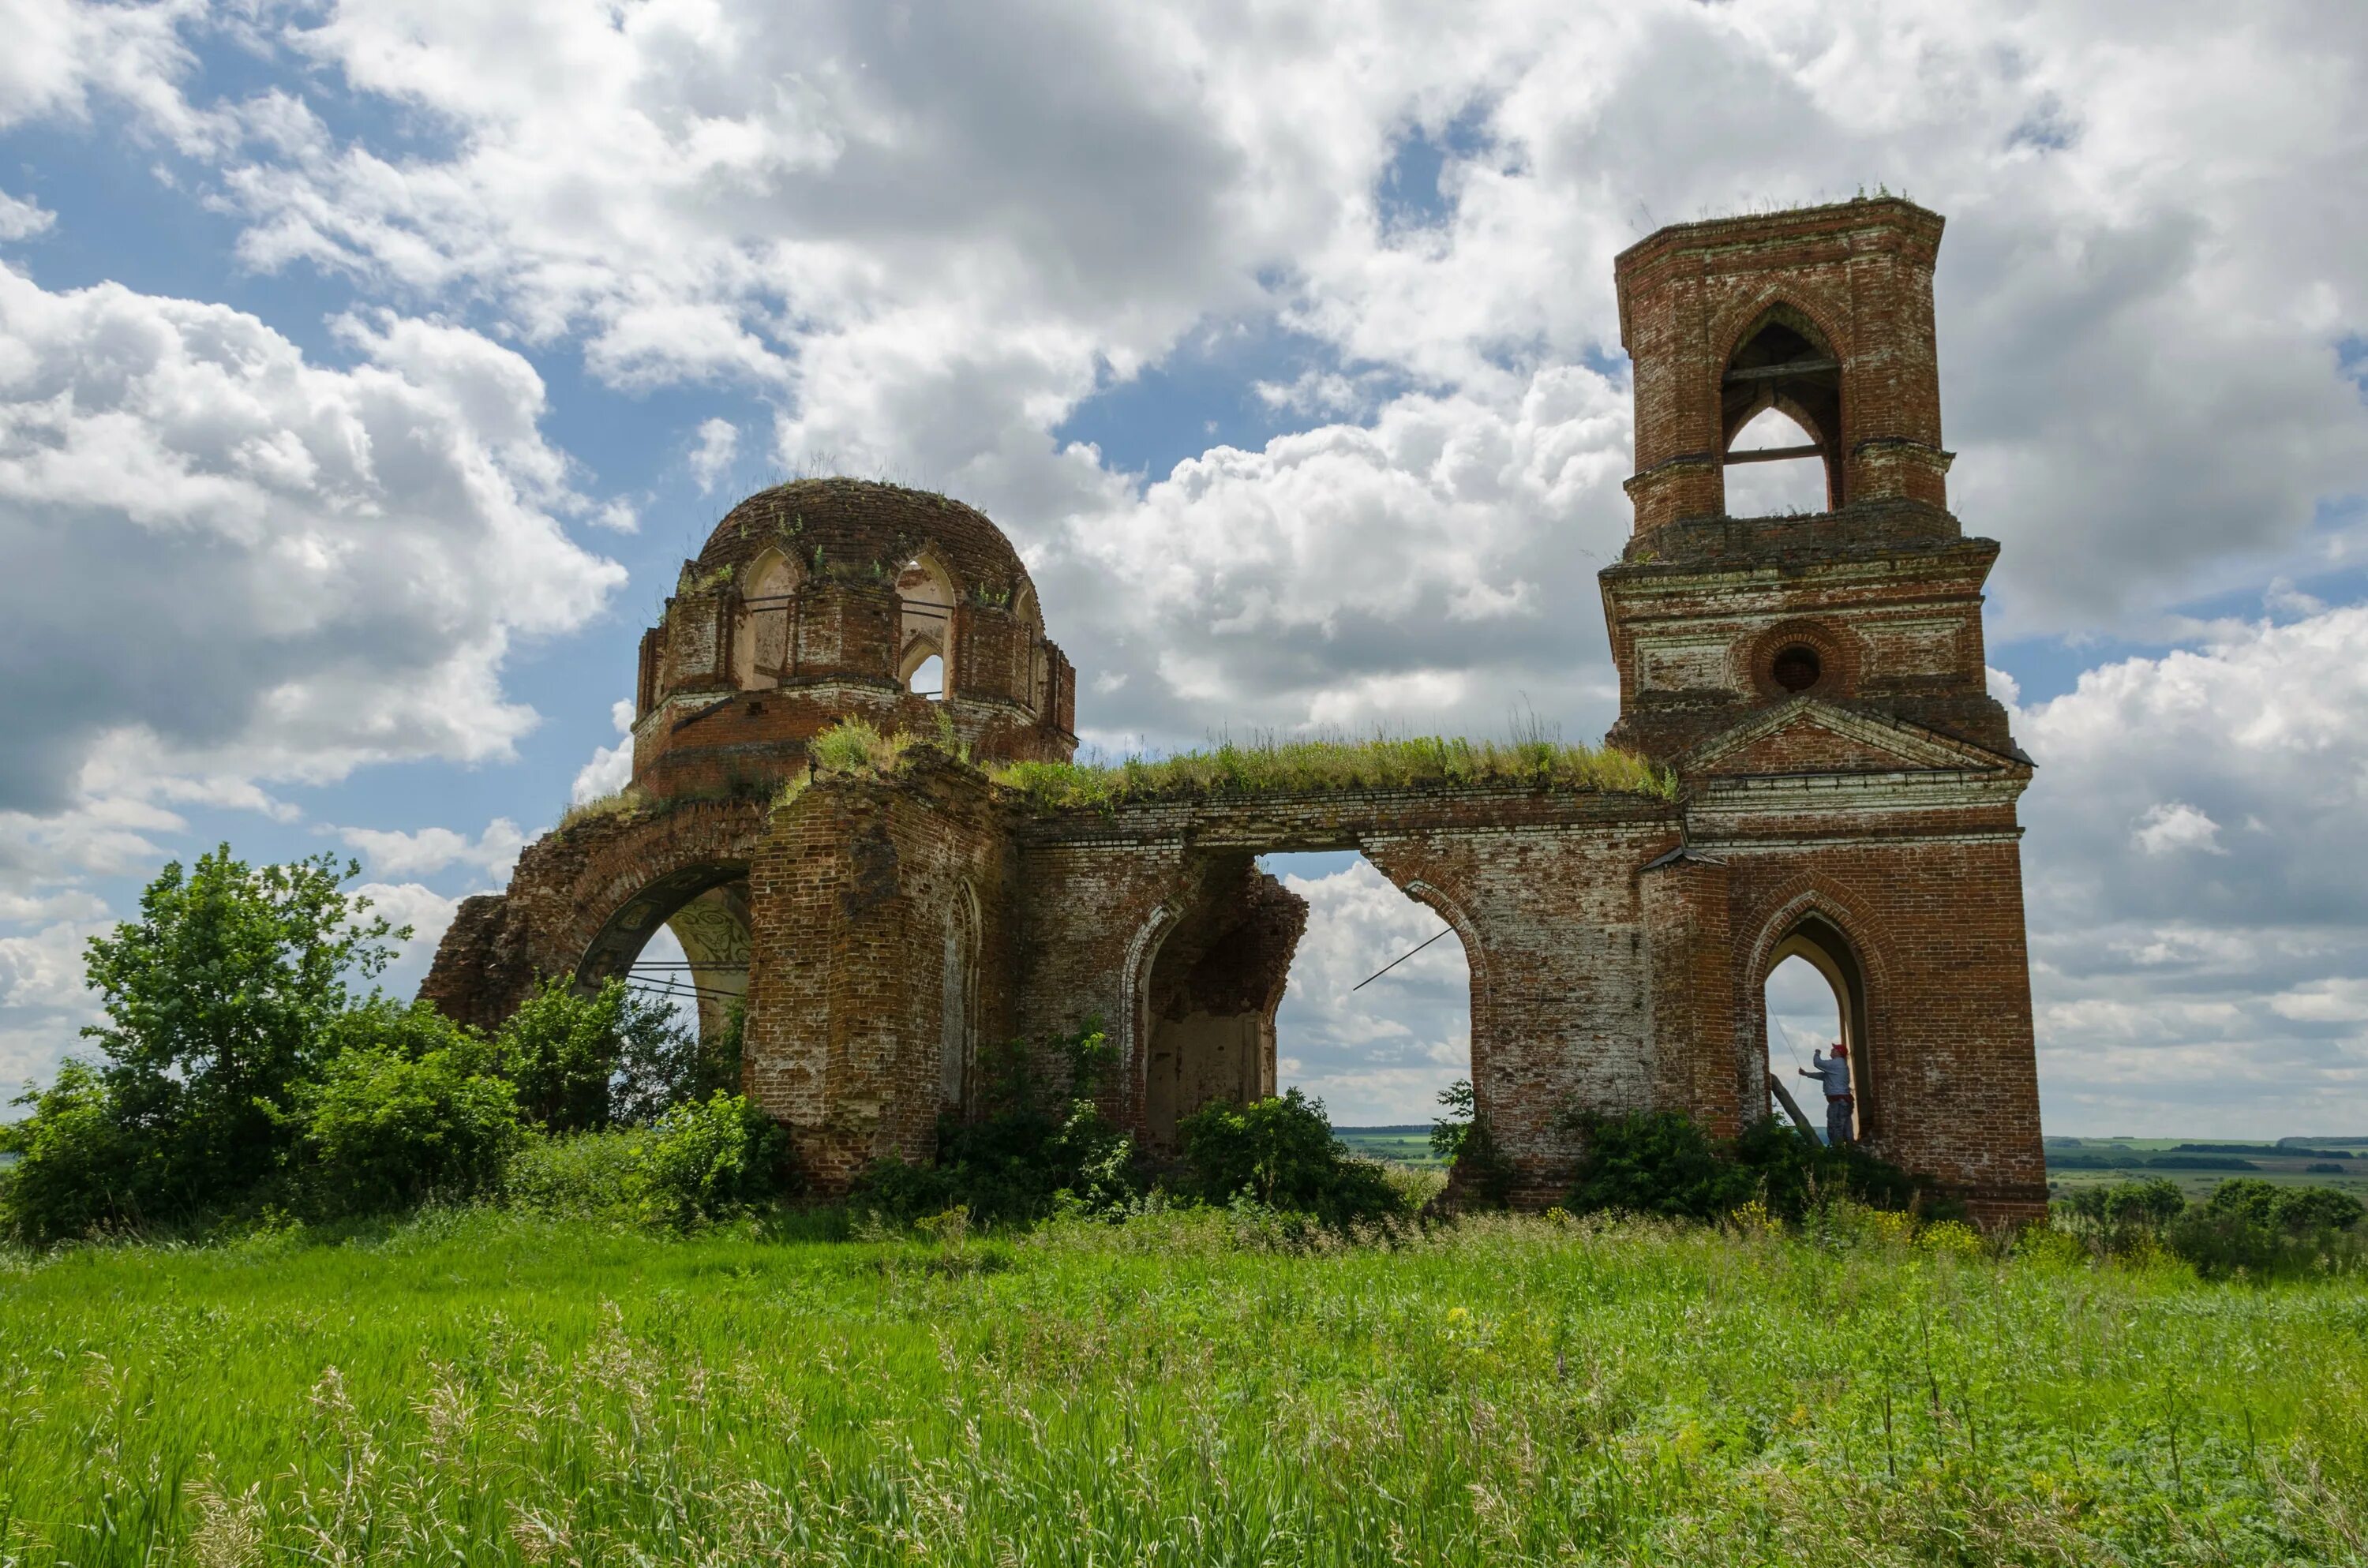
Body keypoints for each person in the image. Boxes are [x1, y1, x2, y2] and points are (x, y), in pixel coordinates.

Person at [1798, 1040, 1853, 1146]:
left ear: (1838, 1052)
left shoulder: (1836, 1063)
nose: (1832, 1051)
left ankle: (1838, 1150)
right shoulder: (1839, 1065)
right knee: (1846, 1126)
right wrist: (1806, 1074)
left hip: (1838, 1102)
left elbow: (1818, 1063)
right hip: (1844, 1101)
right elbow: (1824, 1076)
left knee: (1835, 1125)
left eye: (1834, 1049)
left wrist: (1817, 1053)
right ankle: (1851, 1149)